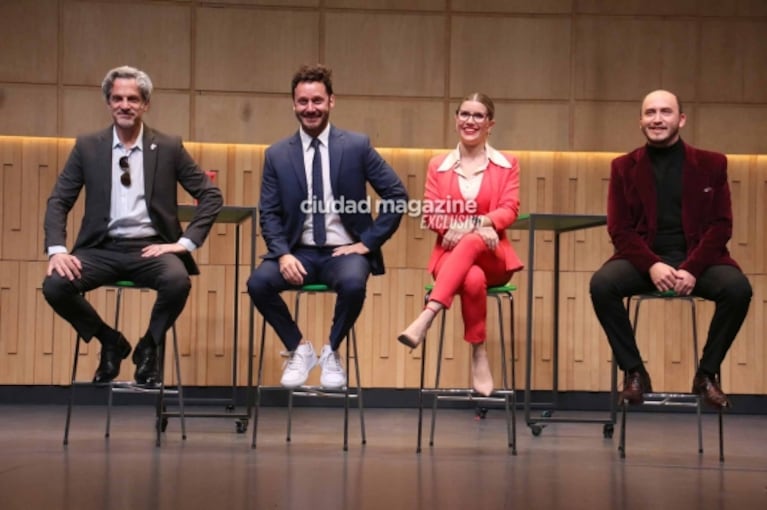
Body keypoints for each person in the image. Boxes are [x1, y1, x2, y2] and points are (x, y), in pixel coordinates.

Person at [43, 65, 223, 386]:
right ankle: (109, 340)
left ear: (145, 104)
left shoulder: (168, 147)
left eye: (132, 98)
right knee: (56, 285)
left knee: (177, 280)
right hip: (101, 249)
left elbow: (211, 195)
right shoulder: (87, 147)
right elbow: (59, 200)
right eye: (117, 98)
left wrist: (184, 244)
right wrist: (57, 250)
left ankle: (147, 347)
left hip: (151, 249)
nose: (124, 105)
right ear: (108, 103)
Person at [247, 64, 408, 390]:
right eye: (303, 102)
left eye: (317, 100)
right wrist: (281, 255)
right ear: (293, 104)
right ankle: (299, 349)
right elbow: (270, 214)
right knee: (258, 283)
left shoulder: (356, 146)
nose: (310, 108)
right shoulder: (277, 154)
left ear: (331, 101)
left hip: (343, 251)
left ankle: (331, 350)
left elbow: (396, 194)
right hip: (298, 253)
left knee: (352, 283)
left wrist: (368, 243)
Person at [589, 89, 752, 409]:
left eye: (665, 112)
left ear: (681, 119)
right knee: (602, 284)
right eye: (650, 113)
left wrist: (692, 267)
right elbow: (619, 229)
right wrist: (652, 265)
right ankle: (634, 372)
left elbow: (721, 225)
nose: (657, 119)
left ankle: (706, 375)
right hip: (645, 260)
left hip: (699, 260)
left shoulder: (712, 164)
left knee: (738, 290)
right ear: (640, 121)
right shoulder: (623, 166)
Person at [397, 93, 524, 396]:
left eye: (478, 116)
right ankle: (478, 351)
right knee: (472, 278)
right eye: (464, 114)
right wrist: (471, 227)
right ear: (456, 119)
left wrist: (476, 225)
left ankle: (426, 317)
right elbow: (430, 213)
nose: (470, 121)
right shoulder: (438, 165)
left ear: (490, 124)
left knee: (474, 243)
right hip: (450, 258)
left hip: (494, 257)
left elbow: (510, 208)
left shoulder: (507, 164)